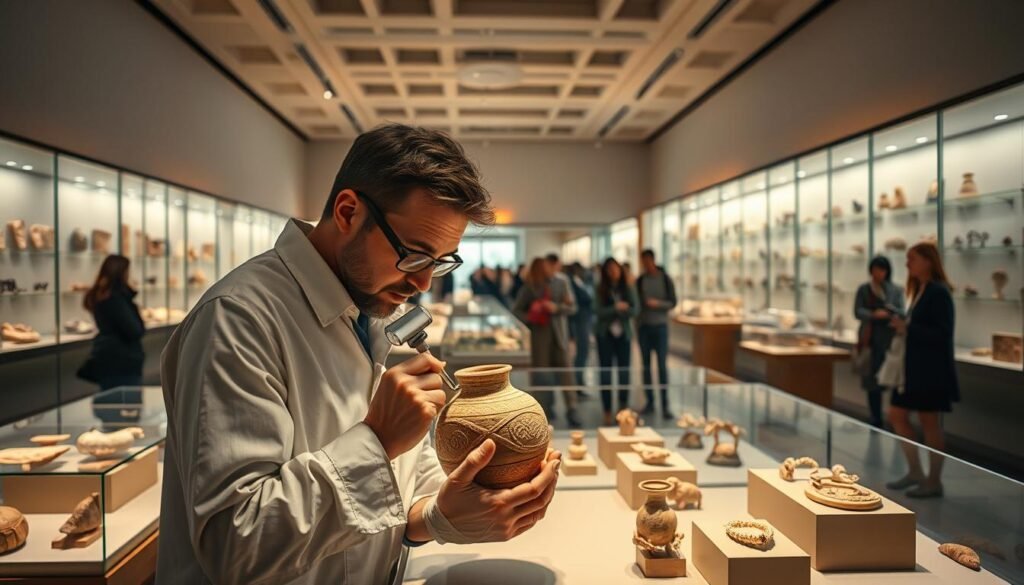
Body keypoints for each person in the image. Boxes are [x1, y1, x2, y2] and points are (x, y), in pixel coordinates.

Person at [158, 125, 560, 584]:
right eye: (413, 255)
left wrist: (441, 512)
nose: (424, 282)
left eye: (441, 261)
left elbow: (387, 492)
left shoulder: (371, 305)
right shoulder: (237, 319)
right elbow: (235, 543)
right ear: (348, 212)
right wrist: (377, 439)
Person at [886, 242, 959, 498]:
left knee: (929, 422)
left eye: (912, 259)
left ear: (928, 261)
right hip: (914, 369)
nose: (908, 264)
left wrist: (908, 328)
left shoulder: (938, 292)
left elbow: (943, 333)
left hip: (930, 370)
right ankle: (916, 471)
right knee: (897, 414)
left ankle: (934, 480)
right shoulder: (922, 289)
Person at [513, 257, 581, 427]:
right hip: (539, 337)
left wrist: (555, 307)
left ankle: (572, 409)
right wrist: (532, 314)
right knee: (542, 375)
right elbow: (517, 311)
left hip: (559, 336)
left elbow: (573, 307)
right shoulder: (530, 287)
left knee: (566, 374)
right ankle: (544, 410)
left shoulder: (561, 283)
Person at [78, 255, 146, 390]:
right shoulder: (115, 299)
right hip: (122, 360)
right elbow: (135, 330)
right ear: (121, 273)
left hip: (109, 357)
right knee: (124, 404)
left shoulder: (102, 296)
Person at [853, 256, 904, 428]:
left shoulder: (895, 290)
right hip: (869, 339)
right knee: (871, 381)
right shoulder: (864, 289)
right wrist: (873, 314)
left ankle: (894, 418)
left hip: (889, 339)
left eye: (881, 269)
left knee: (891, 380)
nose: (878, 273)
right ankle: (875, 417)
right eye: (875, 269)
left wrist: (889, 312)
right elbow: (858, 311)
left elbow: (901, 311)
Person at [594, 258, 639, 426]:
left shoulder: (627, 287)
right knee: (605, 372)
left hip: (623, 335)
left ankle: (622, 409)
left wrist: (624, 309)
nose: (613, 272)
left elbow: (635, 309)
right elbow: (597, 310)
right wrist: (616, 308)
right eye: (609, 269)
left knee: (624, 372)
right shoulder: (600, 289)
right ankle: (606, 410)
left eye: (616, 269)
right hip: (605, 335)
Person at [635, 249, 677, 419]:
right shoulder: (640, 281)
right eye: (643, 261)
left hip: (660, 327)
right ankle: (650, 401)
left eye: (647, 261)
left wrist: (657, 304)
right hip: (644, 327)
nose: (645, 264)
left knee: (661, 365)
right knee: (645, 365)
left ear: (652, 260)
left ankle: (665, 403)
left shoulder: (665, 279)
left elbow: (673, 302)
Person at [566, 262, 594, 388]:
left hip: (583, 320)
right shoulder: (572, 282)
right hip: (580, 320)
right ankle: (577, 382)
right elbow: (584, 299)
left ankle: (579, 381)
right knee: (582, 352)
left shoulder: (578, 282)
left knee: (583, 352)